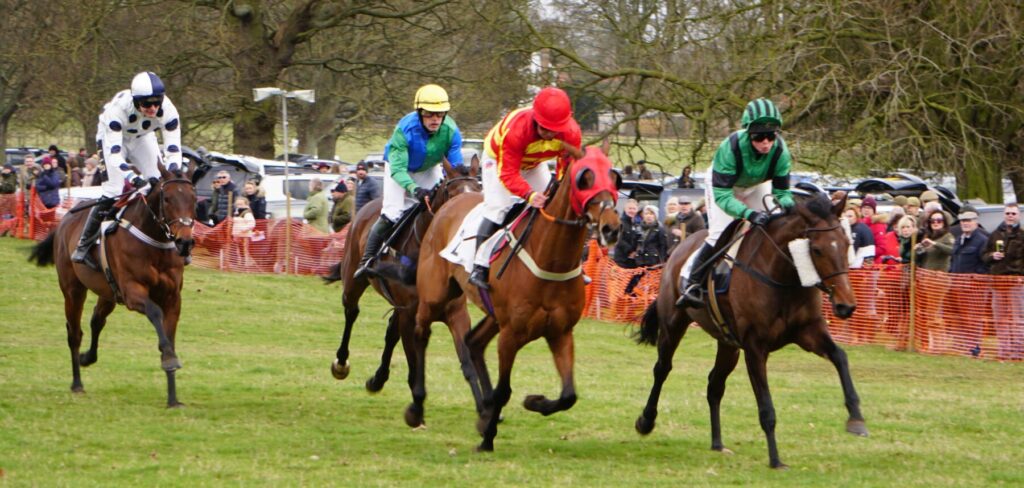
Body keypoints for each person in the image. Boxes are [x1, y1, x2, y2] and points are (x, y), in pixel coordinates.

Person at [679, 98, 795, 306]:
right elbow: (723, 197)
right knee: (720, 233)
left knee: (774, 224)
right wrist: (749, 214)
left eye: (771, 136)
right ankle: (692, 281)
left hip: (756, 185)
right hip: (725, 187)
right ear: (749, 134)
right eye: (759, 137)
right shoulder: (730, 148)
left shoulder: (781, 152)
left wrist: (789, 205)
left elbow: (781, 192)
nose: (766, 143)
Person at [467, 86, 583, 290]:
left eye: (554, 130)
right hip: (498, 161)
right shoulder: (518, 129)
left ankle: (571, 265)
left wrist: (556, 188)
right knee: (498, 208)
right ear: (536, 119)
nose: (549, 134)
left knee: (553, 204)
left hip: (534, 164)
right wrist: (529, 195)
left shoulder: (571, 133)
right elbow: (508, 174)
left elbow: (565, 167)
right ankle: (480, 265)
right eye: (545, 128)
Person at [72, 71, 184, 268]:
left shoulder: (168, 110)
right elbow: (114, 155)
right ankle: (83, 245)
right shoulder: (116, 112)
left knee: (159, 184)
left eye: (156, 103)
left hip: (143, 137)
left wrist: (172, 173)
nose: (153, 108)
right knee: (113, 190)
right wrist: (133, 178)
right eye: (147, 104)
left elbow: (174, 149)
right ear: (136, 101)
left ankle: (173, 241)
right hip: (113, 140)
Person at [354, 84, 465, 278]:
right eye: (430, 114)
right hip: (399, 169)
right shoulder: (405, 129)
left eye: (439, 115)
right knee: (392, 212)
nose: (435, 120)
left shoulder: (451, 130)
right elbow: (398, 170)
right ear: (420, 112)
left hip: (428, 168)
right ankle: (367, 259)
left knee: (442, 205)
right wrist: (414, 189)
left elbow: (455, 167)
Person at [982, 203, 1024, 360]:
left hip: (1016, 282)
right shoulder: (994, 235)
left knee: (1017, 319)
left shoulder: (1022, 235)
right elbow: (984, 256)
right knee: (1000, 319)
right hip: (997, 283)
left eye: (1013, 213)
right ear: (1004, 215)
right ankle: (1004, 351)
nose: (1010, 216)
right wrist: (992, 256)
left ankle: (1019, 351)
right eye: (1008, 213)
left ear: (1018, 215)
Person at [612, 199, 641, 269]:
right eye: (630, 208)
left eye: (634, 208)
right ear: (625, 209)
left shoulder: (637, 224)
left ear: (637, 210)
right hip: (621, 259)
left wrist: (636, 251)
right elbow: (618, 239)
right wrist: (630, 251)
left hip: (633, 260)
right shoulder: (620, 222)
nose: (632, 211)